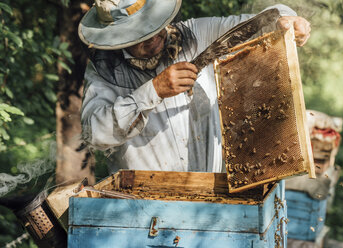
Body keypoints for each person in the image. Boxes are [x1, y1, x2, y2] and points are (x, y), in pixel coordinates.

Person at [78, 0, 311, 174]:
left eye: (151, 26)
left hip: (209, 197)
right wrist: (153, 91)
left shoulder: (197, 34)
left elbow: (254, 25)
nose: (150, 37)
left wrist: (285, 22)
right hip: (143, 209)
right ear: (117, 38)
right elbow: (94, 133)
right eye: (137, 35)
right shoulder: (102, 72)